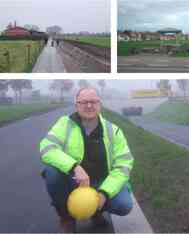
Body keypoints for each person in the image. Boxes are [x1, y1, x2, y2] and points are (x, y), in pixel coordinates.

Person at [39, 87, 134, 233]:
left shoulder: (113, 130)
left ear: (99, 104)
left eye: (93, 101)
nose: (89, 105)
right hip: (74, 181)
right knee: (52, 173)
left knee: (124, 205)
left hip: (102, 181)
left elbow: (124, 165)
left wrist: (105, 192)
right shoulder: (64, 124)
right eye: (83, 102)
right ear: (76, 105)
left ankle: (96, 212)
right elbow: (47, 148)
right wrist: (74, 167)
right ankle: (66, 218)